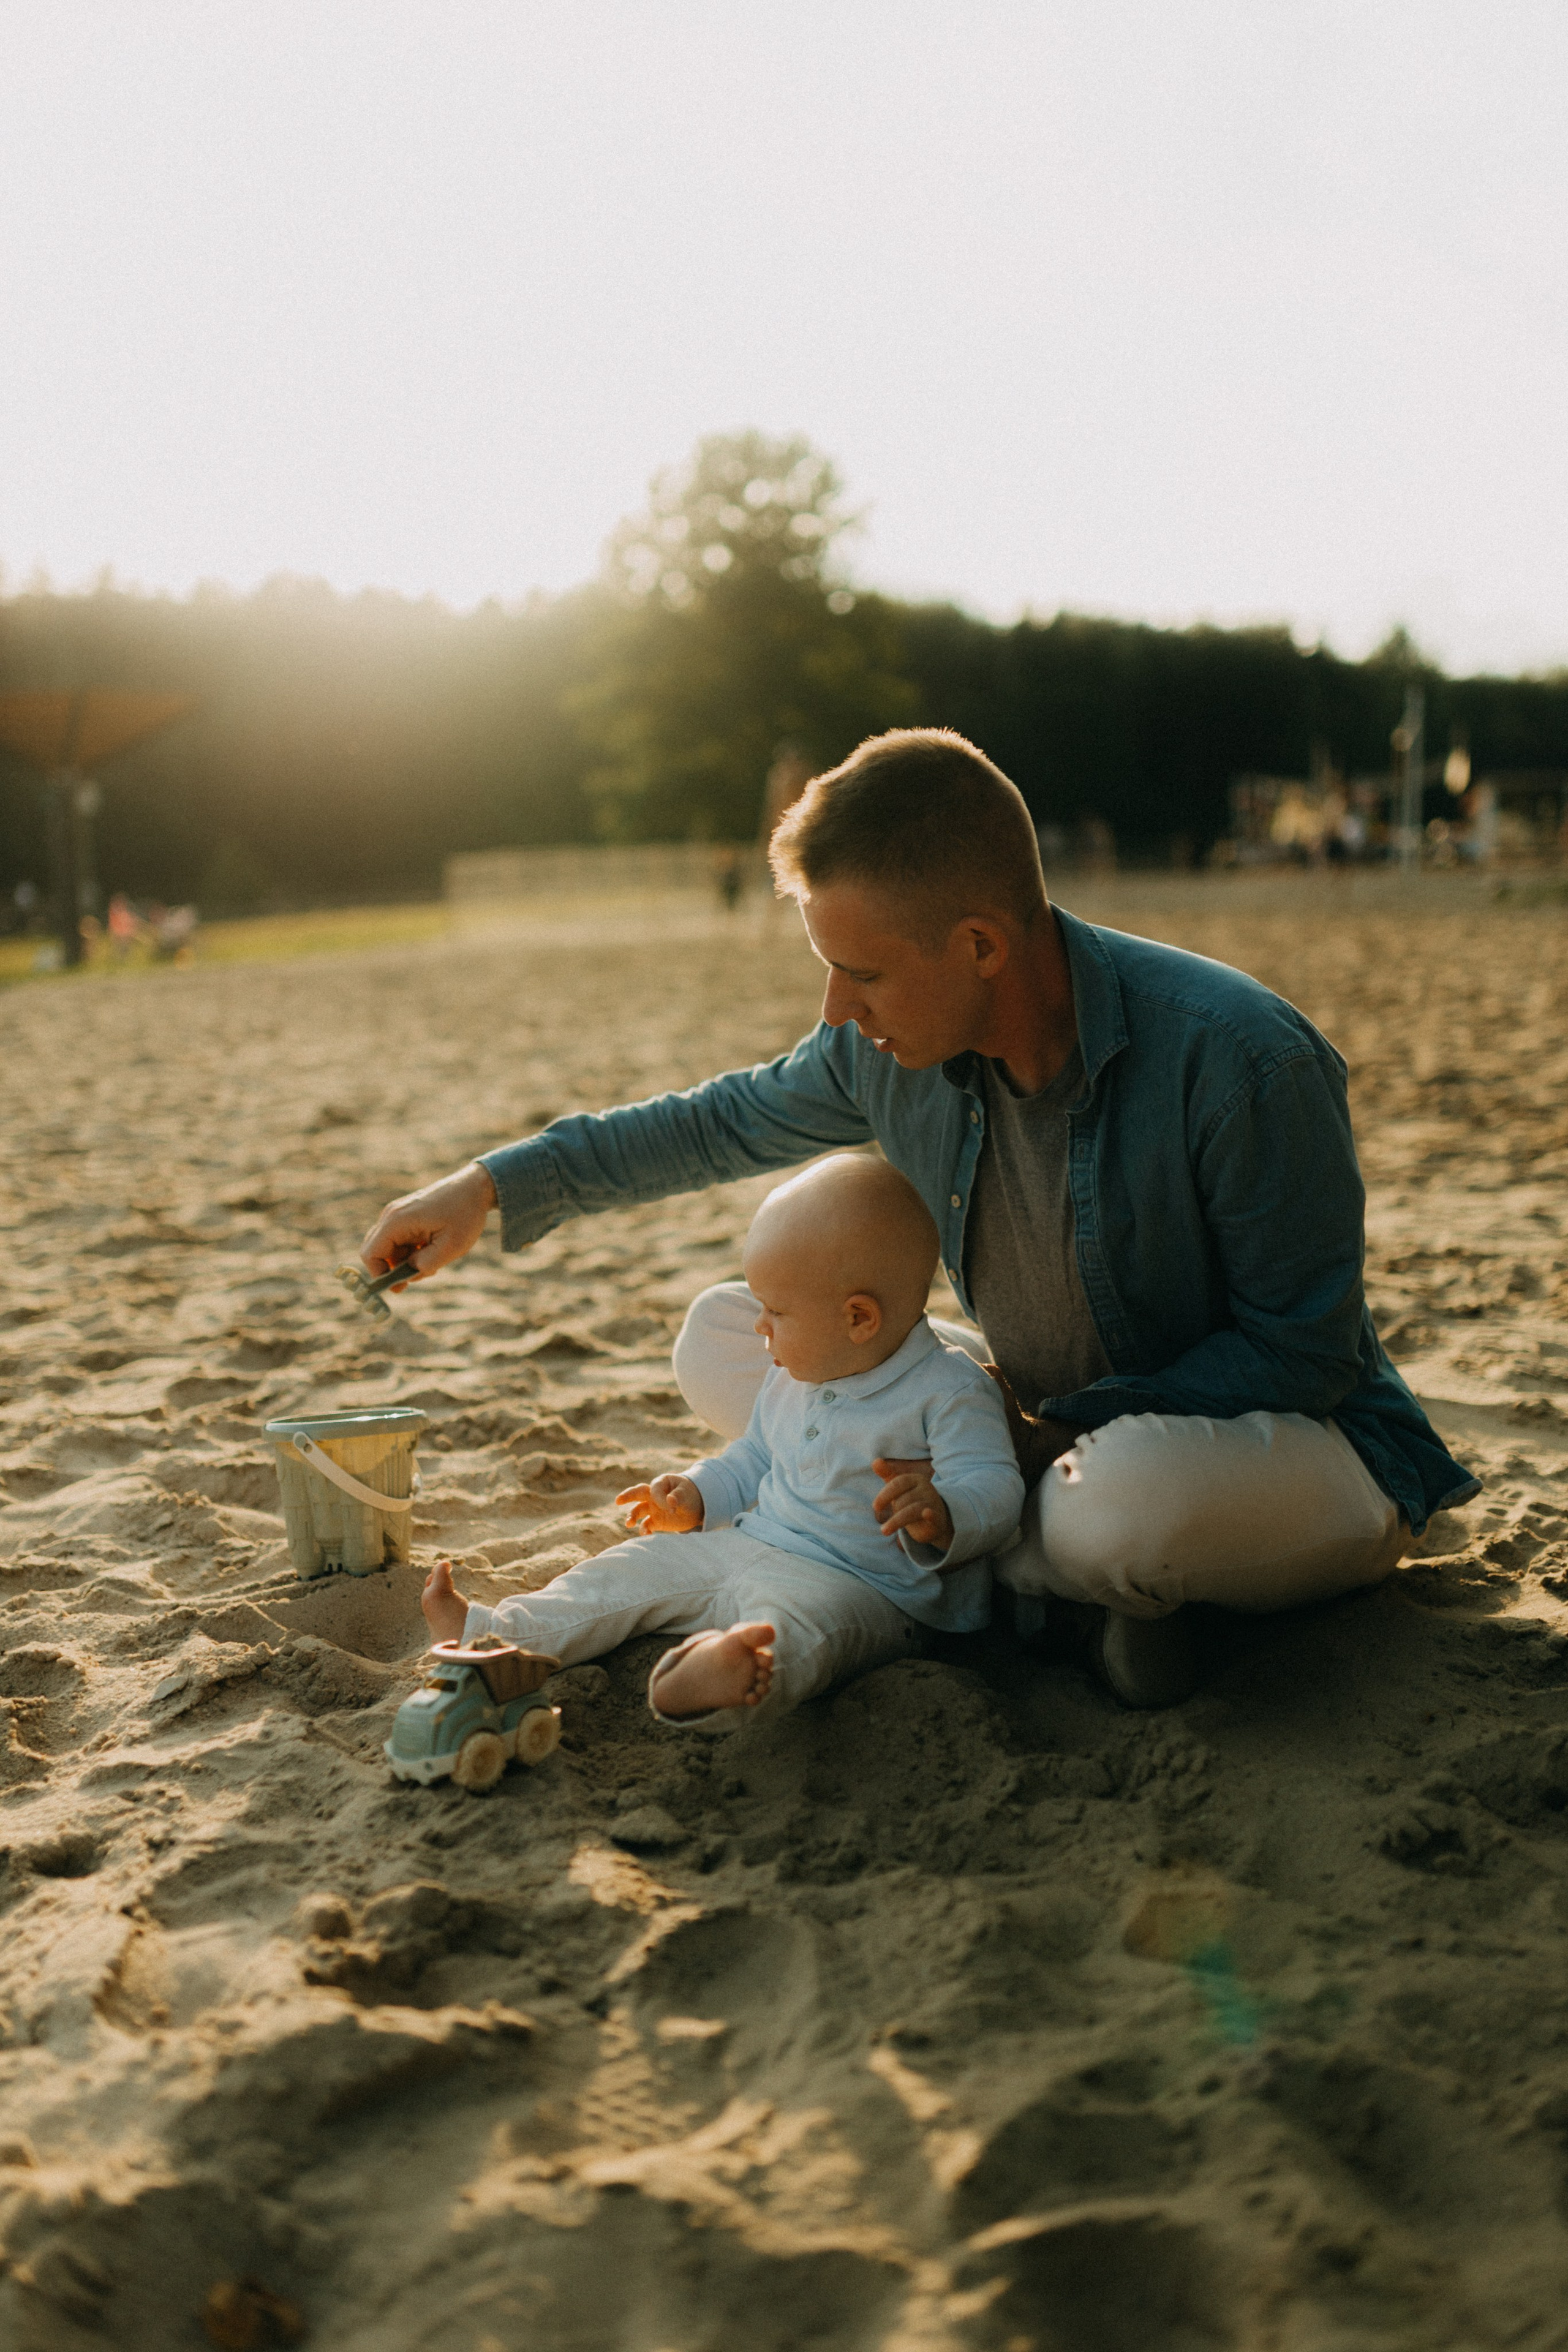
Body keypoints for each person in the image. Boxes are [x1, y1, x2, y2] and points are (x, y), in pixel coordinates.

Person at [363, 728, 1479, 1710]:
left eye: (863, 975)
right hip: (1025, 1430)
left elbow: (1302, 1352)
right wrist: (487, 1188)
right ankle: (1042, 1583)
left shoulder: (1242, 1061)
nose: (837, 1013)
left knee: (1116, 1513)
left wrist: (1060, 1428)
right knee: (729, 1330)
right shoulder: (888, 1052)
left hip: (1277, 1451)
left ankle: (1054, 1579)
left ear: (982, 947)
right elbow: (712, 1125)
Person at [419, 1156, 1023, 1724]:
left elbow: (995, 1483)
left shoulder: (950, 1389)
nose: (758, 1325)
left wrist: (946, 1514)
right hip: (752, 1541)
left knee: (799, 1633)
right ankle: (494, 1636)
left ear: (858, 1319)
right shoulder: (797, 1373)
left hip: (869, 1588)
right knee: (629, 1571)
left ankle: (717, 1685)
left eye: (775, 1312)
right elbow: (756, 1456)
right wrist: (699, 1494)